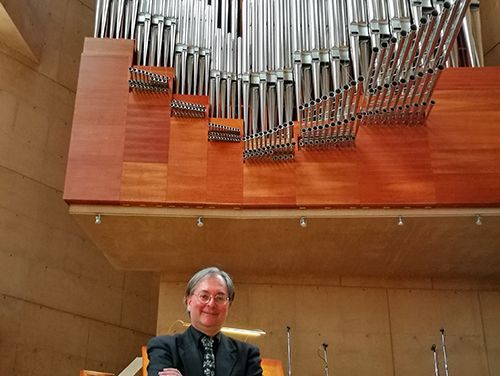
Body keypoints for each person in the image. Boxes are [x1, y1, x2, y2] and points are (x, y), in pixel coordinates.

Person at [147, 266, 263, 376]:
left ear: (229, 305)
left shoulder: (247, 355)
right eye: (204, 296)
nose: (211, 304)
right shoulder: (163, 347)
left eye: (219, 298)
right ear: (189, 302)